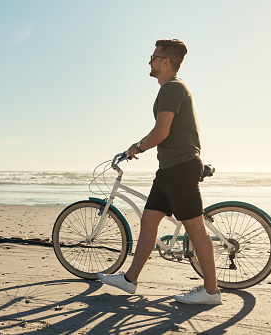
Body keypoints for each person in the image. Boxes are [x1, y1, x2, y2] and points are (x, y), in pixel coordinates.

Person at [97, 39, 221, 305]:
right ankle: (130, 280)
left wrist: (137, 147)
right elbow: (164, 132)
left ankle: (211, 292)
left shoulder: (172, 89)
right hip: (168, 169)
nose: (150, 61)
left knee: (195, 229)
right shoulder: (170, 89)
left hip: (179, 167)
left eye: (153, 57)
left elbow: (161, 132)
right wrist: (140, 146)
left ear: (166, 62)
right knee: (149, 220)